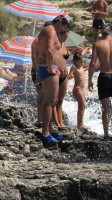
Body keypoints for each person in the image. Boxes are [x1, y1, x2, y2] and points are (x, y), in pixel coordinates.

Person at [36, 15, 68, 143]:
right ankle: (45, 133)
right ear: (59, 22)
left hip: (48, 68)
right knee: (51, 101)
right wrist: (50, 67)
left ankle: (50, 129)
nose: (63, 29)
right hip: (49, 69)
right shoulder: (50, 30)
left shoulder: (50, 30)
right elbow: (49, 49)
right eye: (64, 26)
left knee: (51, 102)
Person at [53, 28, 70, 127]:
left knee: (60, 100)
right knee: (54, 100)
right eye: (64, 36)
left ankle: (61, 122)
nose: (66, 38)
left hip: (64, 75)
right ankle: (56, 122)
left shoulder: (64, 44)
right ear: (59, 35)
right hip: (56, 74)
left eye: (67, 36)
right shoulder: (54, 45)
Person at [68, 52, 88, 130]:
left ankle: (80, 123)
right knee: (81, 105)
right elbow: (69, 76)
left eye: (82, 61)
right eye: (80, 61)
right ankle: (79, 124)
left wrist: (90, 67)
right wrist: (70, 76)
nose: (82, 62)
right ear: (76, 61)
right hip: (77, 88)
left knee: (83, 106)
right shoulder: (74, 67)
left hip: (82, 89)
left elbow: (83, 70)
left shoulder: (81, 67)